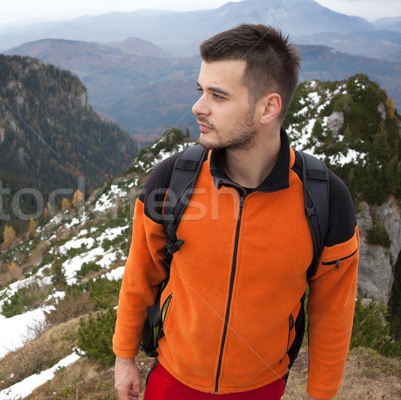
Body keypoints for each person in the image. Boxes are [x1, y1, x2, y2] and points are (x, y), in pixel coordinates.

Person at [113, 24, 359, 400]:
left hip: (261, 386)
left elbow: (333, 311)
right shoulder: (172, 179)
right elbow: (140, 275)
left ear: (268, 107)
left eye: (218, 95)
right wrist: (124, 356)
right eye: (201, 91)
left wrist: (321, 393)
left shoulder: (326, 199)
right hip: (173, 378)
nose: (198, 106)